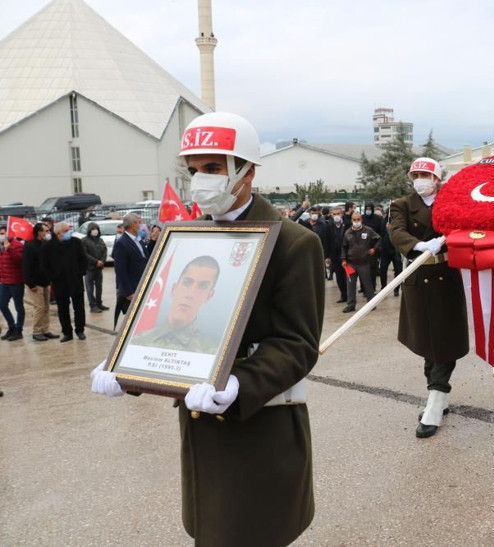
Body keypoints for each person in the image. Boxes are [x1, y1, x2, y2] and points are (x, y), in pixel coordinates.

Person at [91, 112, 323, 546]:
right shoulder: (187, 235)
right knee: (211, 528)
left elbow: (298, 344)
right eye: (195, 170)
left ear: (247, 171)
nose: (201, 181)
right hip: (199, 423)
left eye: (214, 169)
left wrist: (239, 381)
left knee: (252, 529)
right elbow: (163, 314)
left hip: (260, 423)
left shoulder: (294, 242)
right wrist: (128, 361)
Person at [390, 157, 469, 439]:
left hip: (446, 277)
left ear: (437, 179)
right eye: (415, 174)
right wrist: (420, 244)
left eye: (425, 174)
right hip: (417, 278)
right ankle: (437, 393)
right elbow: (396, 231)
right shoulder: (401, 204)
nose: (419, 179)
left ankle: (435, 400)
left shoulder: (451, 201)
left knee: (444, 341)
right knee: (426, 341)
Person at [131, 255, 220, 353]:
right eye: (186, 283)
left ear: (209, 296)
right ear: (174, 289)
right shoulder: (137, 340)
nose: (190, 294)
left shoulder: (212, 351)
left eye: (202, 287)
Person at [43, 222, 87, 342]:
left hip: (75, 280)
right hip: (59, 282)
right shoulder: (48, 247)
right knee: (62, 309)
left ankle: (80, 330)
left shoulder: (76, 242)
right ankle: (67, 332)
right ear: (58, 233)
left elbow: (83, 259)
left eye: (69, 230)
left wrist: (81, 272)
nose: (69, 233)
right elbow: (45, 265)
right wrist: (52, 277)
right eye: (66, 231)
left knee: (79, 307)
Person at [23, 223, 59, 341]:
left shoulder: (45, 245)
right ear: (39, 232)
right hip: (35, 283)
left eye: (48, 231)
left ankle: (45, 329)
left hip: (45, 281)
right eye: (45, 231)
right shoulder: (30, 246)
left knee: (46, 307)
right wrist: (30, 283)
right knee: (39, 307)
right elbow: (27, 266)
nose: (47, 233)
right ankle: (37, 331)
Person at [341, 211, 380, 313]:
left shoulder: (368, 230)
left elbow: (378, 239)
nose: (356, 221)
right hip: (351, 263)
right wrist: (343, 259)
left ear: (361, 220)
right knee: (350, 285)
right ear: (351, 220)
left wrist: (374, 249)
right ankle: (351, 305)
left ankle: (371, 303)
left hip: (364, 262)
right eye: (354, 220)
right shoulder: (347, 232)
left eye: (358, 219)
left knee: (367, 284)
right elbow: (344, 247)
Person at [112, 213, 149, 320]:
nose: (141, 225)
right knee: (134, 319)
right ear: (132, 225)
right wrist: (129, 292)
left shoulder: (138, 240)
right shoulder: (122, 243)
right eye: (139, 222)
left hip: (142, 284)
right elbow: (120, 271)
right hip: (132, 290)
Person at [0, 232, 25, 341]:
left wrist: (9, 249)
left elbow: (19, 260)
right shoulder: (1, 246)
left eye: (2, 233)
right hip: (5, 281)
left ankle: (18, 330)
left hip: (16, 281)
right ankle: (12, 327)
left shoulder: (17, 245)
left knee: (18, 306)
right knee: (2, 304)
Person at [81, 221, 108, 313]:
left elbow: (105, 251)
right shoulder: (84, 241)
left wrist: (102, 261)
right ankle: (93, 305)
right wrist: (95, 261)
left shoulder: (100, 240)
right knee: (90, 288)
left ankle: (99, 303)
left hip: (99, 268)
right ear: (89, 230)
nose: (95, 231)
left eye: (96, 229)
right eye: (93, 229)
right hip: (89, 268)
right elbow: (84, 254)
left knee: (99, 287)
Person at [379, 205, 403, 296]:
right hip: (385, 250)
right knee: (383, 270)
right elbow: (380, 234)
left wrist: (392, 229)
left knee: (398, 270)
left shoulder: (399, 221)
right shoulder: (383, 221)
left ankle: (396, 289)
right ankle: (383, 288)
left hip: (396, 250)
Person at [326, 206, 348, 303]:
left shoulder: (348, 225)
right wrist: (327, 256)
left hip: (347, 255)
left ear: (342, 214)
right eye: (334, 214)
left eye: (338, 214)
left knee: (348, 276)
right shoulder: (329, 226)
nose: (336, 216)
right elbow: (326, 242)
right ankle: (343, 295)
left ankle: (349, 295)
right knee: (339, 277)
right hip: (335, 256)